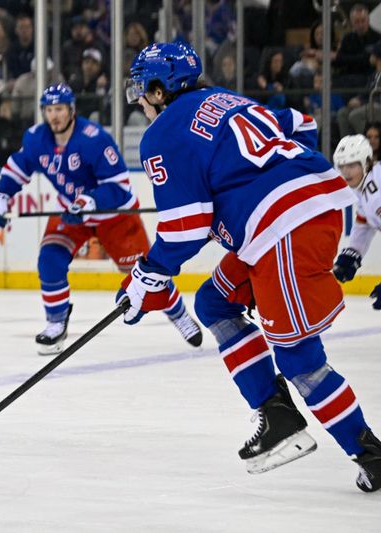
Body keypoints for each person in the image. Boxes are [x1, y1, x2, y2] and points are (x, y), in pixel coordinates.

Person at [122, 41, 381, 491]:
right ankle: (276, 413)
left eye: (142, 90)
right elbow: (301, 123)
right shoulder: (228, 98)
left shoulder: (162, 134)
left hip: (285, 228)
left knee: (300, 359)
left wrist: (147, 274)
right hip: (297, 214)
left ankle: (371, 454)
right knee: (214, 302)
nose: (140, 101)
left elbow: (185, 230)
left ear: (161, 91)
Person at [0, 84, 202, 356]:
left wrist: (89, 201)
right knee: (49, 259)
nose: (55, 116)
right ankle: (56, 323)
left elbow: (120, 187)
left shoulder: (94, 139)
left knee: (146, 276)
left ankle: (178, 314)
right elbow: (18, 168)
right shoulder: (37, 138)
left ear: (72, 109)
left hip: (115, 216)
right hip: (72, 214)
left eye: (60, 109)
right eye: (49, 110)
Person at [332, 135, 381, 311]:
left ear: (366, 163)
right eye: (342, 166)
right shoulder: (365, 187)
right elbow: (364, 224)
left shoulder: (376, 192)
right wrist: (353, 253)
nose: (346, 172)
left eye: (352, 165)